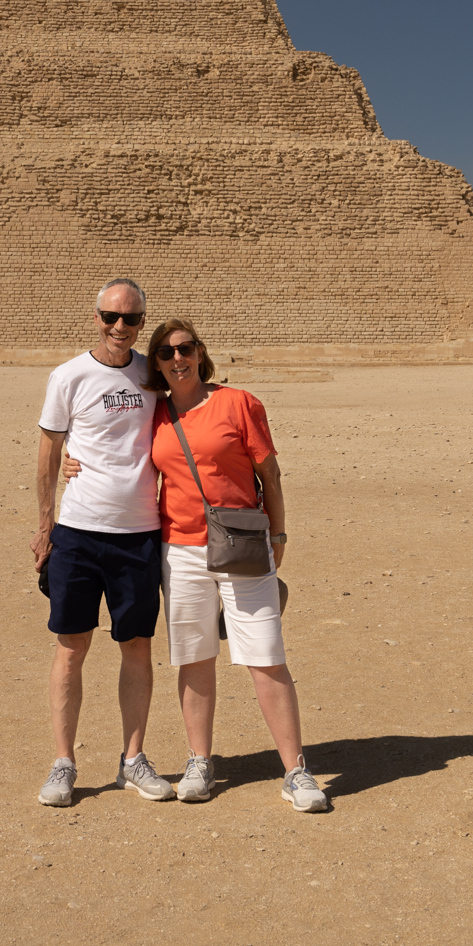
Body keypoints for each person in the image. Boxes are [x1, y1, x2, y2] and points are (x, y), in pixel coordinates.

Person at [144, 318, 328, 812]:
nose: (177, 359)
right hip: (179, 550)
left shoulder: (238, 403)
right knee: (194, 655)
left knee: (265, 655)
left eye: (185, 349)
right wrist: (73, 460)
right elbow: (114, 452)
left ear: (201, 353)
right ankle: (199, 761)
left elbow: (269, 471)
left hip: (243, 544)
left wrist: (279, 532)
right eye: (165, 353)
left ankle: (296, 771)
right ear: (155, 364)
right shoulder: (154, 413)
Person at [31, 278, 175, 808]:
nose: (121, 327)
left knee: (137, 647)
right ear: (95, 317)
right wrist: (45, 524)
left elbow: (191, 410)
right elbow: (48, 451)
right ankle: (63, 763)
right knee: (72, 647)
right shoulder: (67, 376)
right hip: (79, 532)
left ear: (142, 321)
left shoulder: (151, 373)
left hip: (139, 532)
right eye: (111, 316)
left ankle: (132, 760)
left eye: (131, 318)